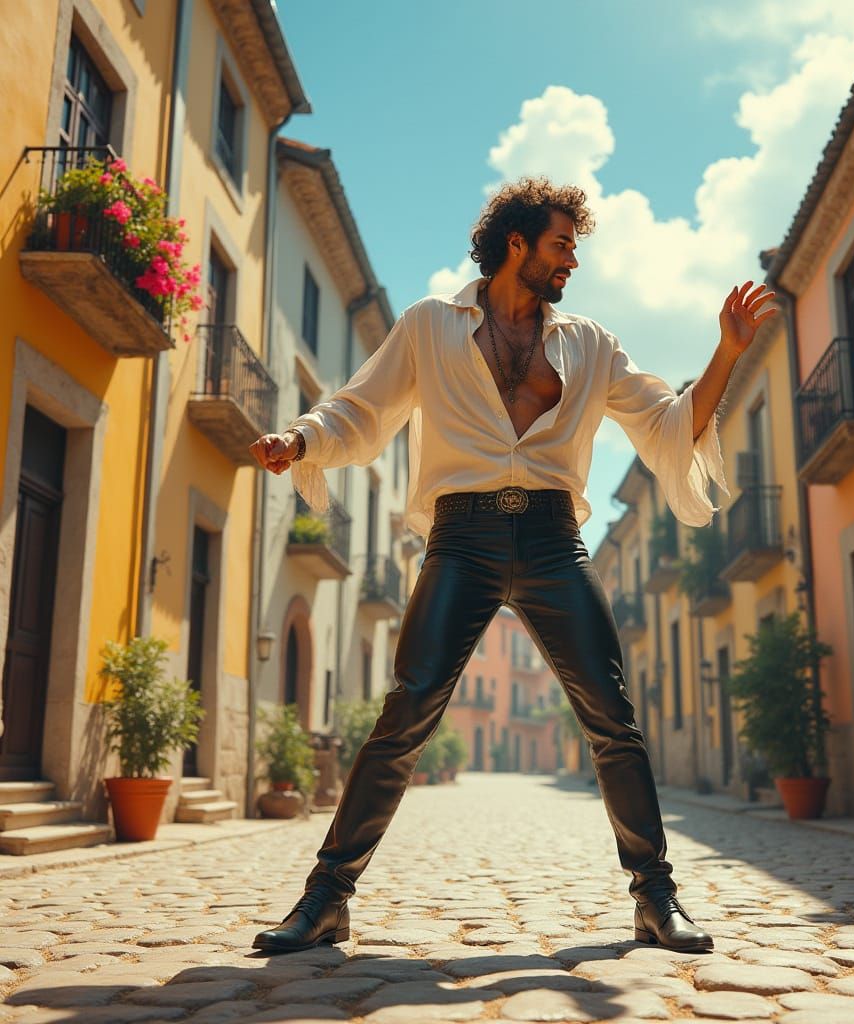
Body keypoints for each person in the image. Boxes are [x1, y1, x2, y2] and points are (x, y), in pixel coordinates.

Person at [248, 176, 776, 955]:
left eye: (575, 248)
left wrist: (726, 355)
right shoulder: (431, 325)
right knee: (407, 712)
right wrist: (298, 440)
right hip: (461, 536)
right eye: (563, 244)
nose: (572, 262)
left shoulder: (589, 343)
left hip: (554, 539)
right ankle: (326, 898)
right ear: (517, 244)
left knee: (612, 716)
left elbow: (671, 425)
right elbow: (360, 407)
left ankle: (656, 899)